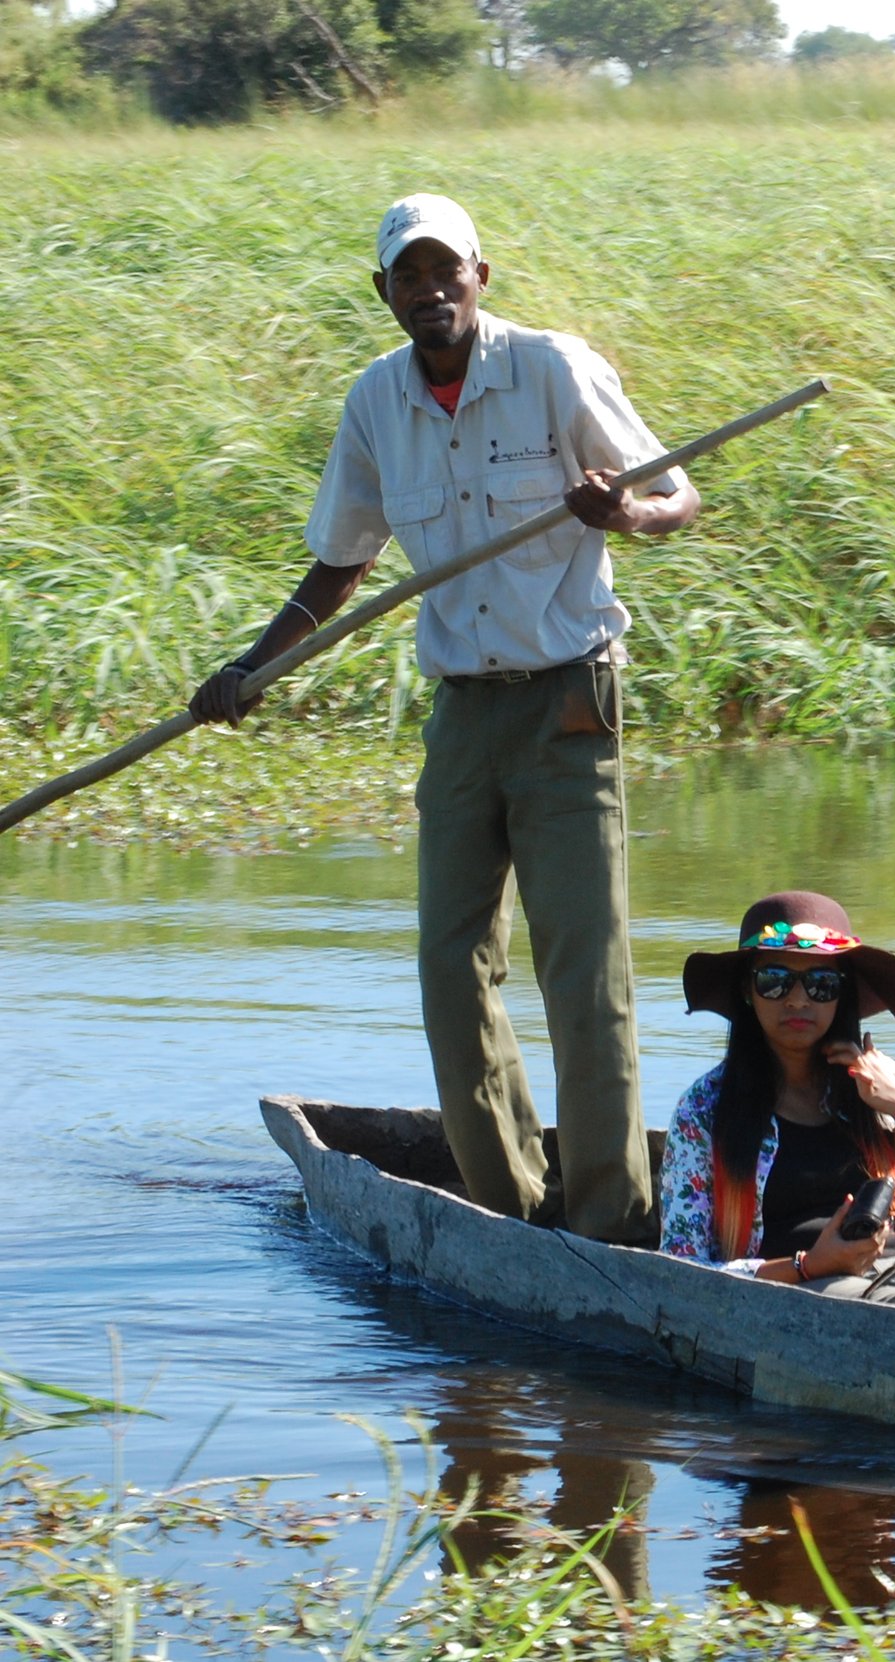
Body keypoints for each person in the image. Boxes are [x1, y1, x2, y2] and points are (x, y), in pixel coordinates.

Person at [186, 194, 700, 1242]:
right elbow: (342, 562)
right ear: (384, 294)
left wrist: (623, 512)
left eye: (445, 271)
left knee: (582, 969)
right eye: (407, 278)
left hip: (567, 701)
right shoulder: (378, 403)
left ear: (481, 275)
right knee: (448, 964)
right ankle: (507, 1210)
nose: (429, 291)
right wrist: (250, 668)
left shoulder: (551, 369)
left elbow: (676, 499)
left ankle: (606, 1226)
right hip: (464, 711)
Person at [663, 891, 895, 1310]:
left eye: (822, 984)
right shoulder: (704, 1109)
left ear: (842, 996)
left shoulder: (876, 1087)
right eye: (775, 981)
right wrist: (809, 1264)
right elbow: (680, 1271)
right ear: (748, 990)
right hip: (799, 1293)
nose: (799, 1000)